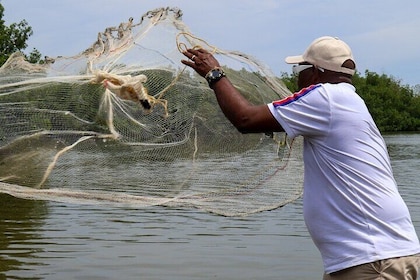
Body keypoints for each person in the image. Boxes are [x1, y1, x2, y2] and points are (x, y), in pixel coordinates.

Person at [181, 36, 420, 279]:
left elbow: (245, 119)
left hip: (372, 258)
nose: (296, 76)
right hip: (372, 256)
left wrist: (214, 74)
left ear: (315, 72)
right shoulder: (347, 100)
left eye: (299, 69)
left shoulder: (324, 97)